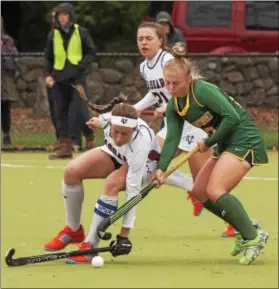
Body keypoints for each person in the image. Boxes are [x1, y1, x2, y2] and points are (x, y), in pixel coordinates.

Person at [153, 43, 269, 265]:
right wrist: (162, 168)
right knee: (199, 192)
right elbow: (171, 139)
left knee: (215, 189)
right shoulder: (175, 105)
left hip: (244, 138)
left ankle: (253, 239)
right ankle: (247, 226)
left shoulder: (202, 90)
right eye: (166, 83)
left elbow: (233, 117)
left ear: (188, 80)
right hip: (225, 141)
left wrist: (209, 141)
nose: (170, 87)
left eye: (175, 83)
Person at [44, 103, 194, 264]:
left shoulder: (140, 145)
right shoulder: (109, 119)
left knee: (112, 184)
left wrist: (124, 234)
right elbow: (102, 119)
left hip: (146, 164)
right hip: (115, 154)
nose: (118, 138)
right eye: (115, 132)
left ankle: (90, 246)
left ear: (134, 130)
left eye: (125, 134)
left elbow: (133, 193)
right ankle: (73, 231)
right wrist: (98, 122)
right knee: (71, 172)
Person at [134, 22, 211, 216]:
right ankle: (191, 189)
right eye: (140, 39)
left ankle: (239, 224)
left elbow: (188, 89)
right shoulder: (144, 66)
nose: (144, 43)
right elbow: (155, 92)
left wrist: (167, 107)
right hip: (173, 126)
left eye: (149, 38)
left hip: (194, 125)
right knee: (149, 168)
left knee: (207, 187)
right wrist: (137, 108)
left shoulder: (167, 60)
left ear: (160, 41)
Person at [44, 3, 96, 159]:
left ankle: (90, 140)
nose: (62, 18)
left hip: (77, 78)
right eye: (59, 15)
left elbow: (91, 51)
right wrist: (48, 74)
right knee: (60, 113)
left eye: (65, 15)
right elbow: (48, 57)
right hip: (59, 78)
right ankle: (65, 146)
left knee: (79, 111)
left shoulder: (81, 32)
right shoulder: (53, 35)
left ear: (71, 16)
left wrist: (81, 66)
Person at [1, 16, 18, 146]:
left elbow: (14, 60)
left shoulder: (7, 42)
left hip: (4, 80)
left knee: (4, 108)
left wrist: (3, 50)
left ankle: (6, 136)